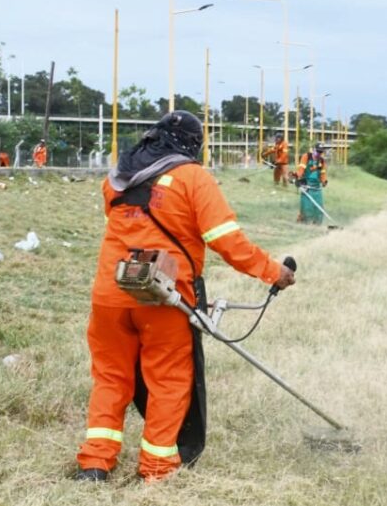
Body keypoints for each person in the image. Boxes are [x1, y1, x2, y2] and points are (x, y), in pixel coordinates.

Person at [75, 111, 295, 483]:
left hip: (110, 295)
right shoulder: (194, 178)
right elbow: (227, 242)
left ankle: (95, 464)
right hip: (163, 297)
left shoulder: (118, 178)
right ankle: (157, 468)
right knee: (168, 380)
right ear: (194, 144)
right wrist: (275, 272)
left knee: (111, 378)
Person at [295, 143, 328, 224]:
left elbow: (323, 173)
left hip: (317, 188)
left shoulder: (322, 161)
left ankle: (317, 224)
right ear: (313, 150)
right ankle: (303, 222)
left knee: (318, 208)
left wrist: (324, 181)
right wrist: (299, 178)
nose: (319, 154)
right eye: (318, 151)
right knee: (307, 207)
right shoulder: (306, 156)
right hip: (307, 187)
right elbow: (301, 169)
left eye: (321, 152)